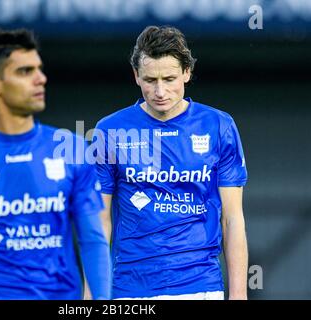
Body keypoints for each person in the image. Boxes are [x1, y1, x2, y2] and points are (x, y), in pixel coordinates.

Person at [0, 28, 111, 300]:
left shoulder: (72, 149)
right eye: (25, 71)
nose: (41, 79)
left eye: (39, 69)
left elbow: (93, 241)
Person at [94, 26, 248, 300]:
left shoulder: (218, 126)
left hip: (200, 285)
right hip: (130, 289)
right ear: (136, 76)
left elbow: (232, 219)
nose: (160, 90)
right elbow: (100, 220)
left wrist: (238, 295)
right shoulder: (109, 131)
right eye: (150, 80)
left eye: (169, 78)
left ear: (187, 73)